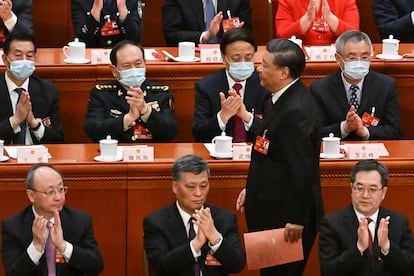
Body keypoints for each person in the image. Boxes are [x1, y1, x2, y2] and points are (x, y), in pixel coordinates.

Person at [235, 39, 323, 275]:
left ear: (284, 72)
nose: (258, 69)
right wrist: (252, 188)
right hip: (272, 206)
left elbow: (301, 169)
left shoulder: (297, 111)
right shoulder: (279, 97)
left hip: (287, 220)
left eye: (264, 65)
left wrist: (296, 219)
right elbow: (274, 150)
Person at [143, 154, 246, 275]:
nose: (198, 193)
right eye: (191, 187)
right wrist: (195, 245)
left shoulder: (225, 218)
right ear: (175, 187)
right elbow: (160, 266)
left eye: (203, 186)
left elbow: (237, 264)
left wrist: (215, 238)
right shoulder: (156, 222)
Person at [1, 163, 104, 275]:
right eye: (50, 192)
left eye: (60, 189)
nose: (58, 197)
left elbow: (96, 266)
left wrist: (63, 246)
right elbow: (12, 273)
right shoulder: (13, 226)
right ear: (31, 195)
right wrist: (36, 248)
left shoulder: (80, 220)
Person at [319, 159, 414, 276]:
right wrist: (358, 249)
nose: (365, 195)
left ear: (383, 192)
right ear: (351, 189)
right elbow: (327, 271)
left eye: (372, 189)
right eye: (359, 188)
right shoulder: (332, 223)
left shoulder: (399, 222)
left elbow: (410, 269)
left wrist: (387, 247)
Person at [310, 30, 402, 140]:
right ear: (338, 59)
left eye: (364, 57)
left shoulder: (385, 85)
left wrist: (365, 132)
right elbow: (314, 133)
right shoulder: (320, 89)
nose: (359, 63)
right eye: (352, 58)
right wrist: (344, 128)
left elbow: (395, 131)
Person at [84, 40, 178, 142]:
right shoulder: (102, 94)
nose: (134, 70)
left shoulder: (161, 93)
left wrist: (146, 112)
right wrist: (127, 119)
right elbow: (92, 130)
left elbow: (171, 131)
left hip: (153, 153)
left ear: (145, 63)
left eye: (138, 64)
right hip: (115, 153)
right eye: (126, 66)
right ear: (114, 71)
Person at [192, 28, 269, 143]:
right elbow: (199, 134)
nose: (243, 62)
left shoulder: (265, 84)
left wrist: (248, 118)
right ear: (224, 58)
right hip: (219, 154)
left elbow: (273, 131)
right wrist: (222, 117)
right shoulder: (206, 87)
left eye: (248, 58)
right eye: (236, 58)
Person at [0, 32, 64, 145]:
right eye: (18, 56)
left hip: (38, 158)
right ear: (5, 59)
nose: (24, 61)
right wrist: (14, 121)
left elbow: (58, 140)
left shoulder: (48, 91)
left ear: (35, 58)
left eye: (29, 56)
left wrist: (35, 124)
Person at [162, 0, 252, 46]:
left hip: (229, 56)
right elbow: (171, 34)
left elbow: (247, 31)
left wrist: (236, 34)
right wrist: (205, 36)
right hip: (191, 58)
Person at [276, 0, 359, 45]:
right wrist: (306, 19)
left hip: (337, 60)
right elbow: (281, 36)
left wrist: (330, 18)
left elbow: (355, 36)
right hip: (298, 60)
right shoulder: (287, 1)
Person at [71, 0, 142, 48]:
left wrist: (123, 11)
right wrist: (96, 10)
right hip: (92, 56)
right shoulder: (80, 1)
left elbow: (135, 39)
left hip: (123, 54)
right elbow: (81, 40)